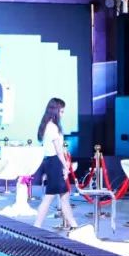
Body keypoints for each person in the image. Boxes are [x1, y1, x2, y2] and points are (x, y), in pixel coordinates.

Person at [33, 97, 79, 231]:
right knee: (49, 197)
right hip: (54, 163)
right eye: (61, 111)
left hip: (52, 162)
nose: (62, 114)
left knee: (64, 196)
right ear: (55, 111)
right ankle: (36, 226)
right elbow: (58, 150)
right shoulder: (52, 127)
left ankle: (73, 225)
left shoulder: (48, 125)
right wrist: (66, 165)